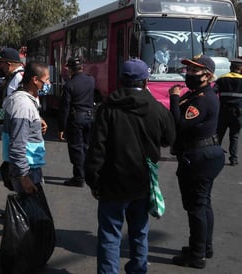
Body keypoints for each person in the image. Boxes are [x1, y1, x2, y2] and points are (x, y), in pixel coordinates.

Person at [85, 58, 176, 274]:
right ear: (146, 82)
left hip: (111, 184)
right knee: (139, 233)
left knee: (109, 236)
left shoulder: (107, 109)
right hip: (142, 184)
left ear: (120, 81)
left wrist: (93, 181)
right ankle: (137, 269)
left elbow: (96, 148)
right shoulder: (157, 109)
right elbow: (169, 138)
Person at [169, 54, 225, 269]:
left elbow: (180, 124)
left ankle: (197, 254)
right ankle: (204, 246)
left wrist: (174, 98)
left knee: (196, 208)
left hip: (200, 158)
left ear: (207, 75)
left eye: (195, 71)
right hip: (205, 155)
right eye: (189, 70)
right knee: (204, 204)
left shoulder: (202, 98)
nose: (189, 74)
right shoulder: (197, 94)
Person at [2, 61, 49, 193]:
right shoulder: (23, 105)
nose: (48, 84)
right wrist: (23, 176)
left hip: (28, 165)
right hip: (27, 168)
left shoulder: (22, 100)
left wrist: (37, 119)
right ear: (35, 80)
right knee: (31, 210)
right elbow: (17, 144)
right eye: (46, 80)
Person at [58, 57, 95, 187]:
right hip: (90, 117)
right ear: (82, 68)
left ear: (70, 69)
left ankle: (79, 177)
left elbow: (65, 108)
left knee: (76, 148)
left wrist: (61, 127)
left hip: (76, 119)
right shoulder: (91, 80)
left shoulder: (69, 85)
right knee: (86, 147)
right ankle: (86, 174)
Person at [215, 58, 242, 166]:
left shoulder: (222, 79)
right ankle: (233, 159)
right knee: (234, 136)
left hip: (223, 112)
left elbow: (213, 92)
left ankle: (216, 156)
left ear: (231, 68)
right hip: (238, 113)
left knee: (219, 135)